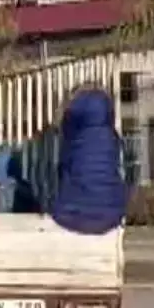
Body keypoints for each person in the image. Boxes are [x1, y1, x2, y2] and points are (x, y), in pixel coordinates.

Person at [50, 85, 129, 235]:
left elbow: (59, 168)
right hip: (112, 214)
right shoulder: (113, 138)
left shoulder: (71, 139)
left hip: (71, 215)